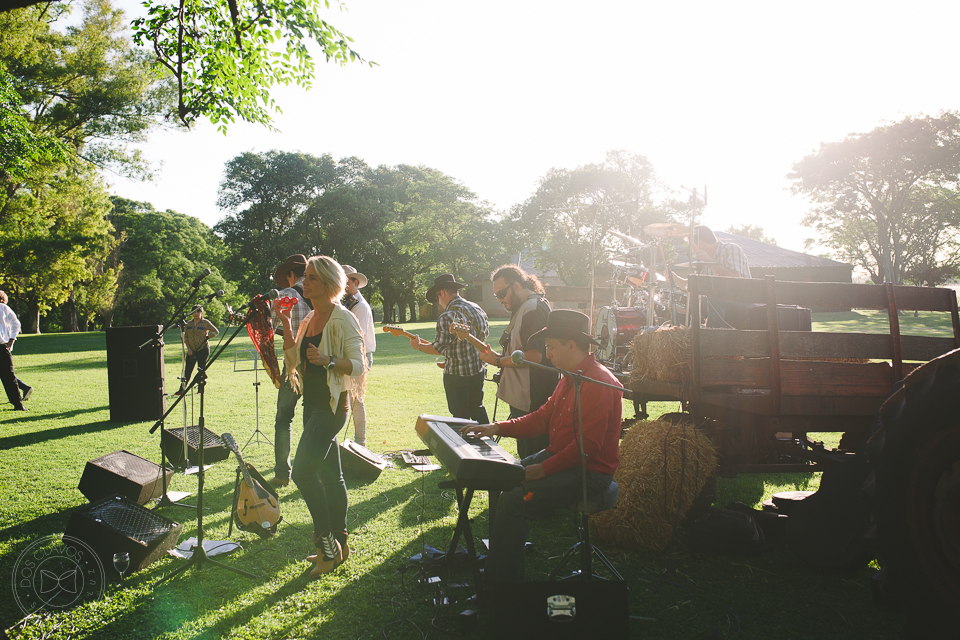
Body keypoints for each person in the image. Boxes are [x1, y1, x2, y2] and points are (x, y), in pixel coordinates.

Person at [461, 310, 622, 585]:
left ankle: (502, 584)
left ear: (571, 345)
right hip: (561, 457)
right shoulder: (568, 376)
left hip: (589, 473)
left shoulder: (599, 383)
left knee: (514, 500)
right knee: (502, 479)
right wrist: (497, 427)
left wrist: (543, 469)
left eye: (550, 347)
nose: (547, 355)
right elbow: (543, 417)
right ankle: (503, 565)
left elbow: (587, 448)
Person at [277, 255, 365, 576]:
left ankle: (325, 546)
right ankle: (341, 545)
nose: (304, 282)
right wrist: (287, 324)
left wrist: (328, 359)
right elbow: (292, 359)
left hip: (332, 409)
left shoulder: (341, 318)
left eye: (311, 278)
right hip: (311, 406)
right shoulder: (309, 318)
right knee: (331, 476)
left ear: (328, 284)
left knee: (301, 472)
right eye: (306, 277)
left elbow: (358, 365)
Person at [475, 264, 558, 458]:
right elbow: (519, 351)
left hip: (534, 397)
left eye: (502, 293)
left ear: (517, 286)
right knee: (527, 454)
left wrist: (498, 362)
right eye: (497, 296)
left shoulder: (532, 309)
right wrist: (498, 358)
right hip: (526, 396)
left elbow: (534, 356)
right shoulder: (525, 307)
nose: (500, 299)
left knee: (534, 456)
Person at [410, 274, 490, 423]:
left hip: (456, 374)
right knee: (477, 407)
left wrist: (419, 346)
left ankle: (463, 445)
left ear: (442, 293)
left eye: (438, 297)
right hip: (478, 370)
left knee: (460, 416)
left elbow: (438, 348)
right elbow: (483, 336)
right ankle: (488, 440)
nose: (439, 301)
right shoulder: (476, 308)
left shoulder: (447, 316)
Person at [269, 254, 312, 487]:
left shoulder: (286, 295)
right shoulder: (320, 294)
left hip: (293, 367)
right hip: (317, 365)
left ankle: (282, 474)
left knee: (283, 419)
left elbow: (268, 324)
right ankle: (313, 470)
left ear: (291, 275)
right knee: (313, 418)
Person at [671, 225, 752, 328]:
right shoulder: (703, 262)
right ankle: (687, 335)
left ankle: (711, 337)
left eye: (692, 247)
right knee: (688, 302)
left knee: (714, 299)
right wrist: (676, 279)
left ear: (700, 244)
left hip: (741, 300)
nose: (693, 251)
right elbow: (696, 285)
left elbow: (735, 276)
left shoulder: (731, 248)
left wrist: (710, 262)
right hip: (719, 302)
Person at [341, 265, 376, 447]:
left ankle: (360, 443)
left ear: (356, 283)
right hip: (350, 355)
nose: (343, 286)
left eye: (346, 282)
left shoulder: (360, 306)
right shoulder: (347, 304)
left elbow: (356, 337)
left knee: (356, 399)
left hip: (360, 356)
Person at [178, 304, 219, 394]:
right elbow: (185, 337)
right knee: (187, 371)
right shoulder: (188, 324)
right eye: (194, 312)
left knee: (201, 370)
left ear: (202, 313)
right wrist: (189, 349)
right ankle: (182, 389)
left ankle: (200, 389)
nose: (196, 314)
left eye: (198, 312)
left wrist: (208, 337)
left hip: (203, 349)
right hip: (191, 350)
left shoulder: (205, 323)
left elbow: (216, 331)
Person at [0, 291, 28, 411]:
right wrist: (11, 340)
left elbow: (16, 324)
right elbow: (16, 324)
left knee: (9, 376)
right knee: (9, 377)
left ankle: (18, 403)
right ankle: (18, 404)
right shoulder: (4, 308)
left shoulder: (3, 308)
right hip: (2, 346)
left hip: (2, 346)